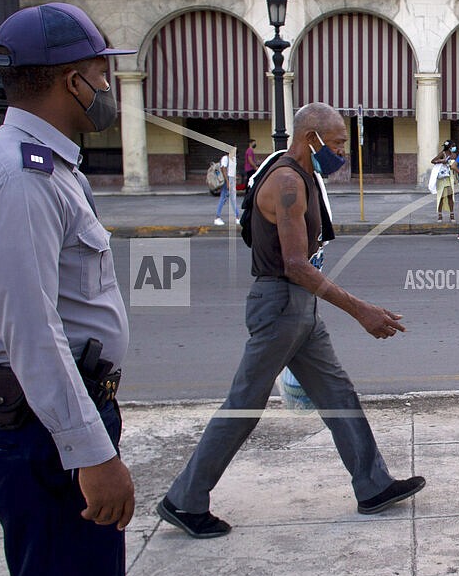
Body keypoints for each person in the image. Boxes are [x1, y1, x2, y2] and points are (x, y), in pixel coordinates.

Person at [156, 102, 425, 538]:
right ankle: (184, 501)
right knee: (243, 405)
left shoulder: (296, 174)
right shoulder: (286, 181)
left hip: (297, 306)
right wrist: (361, 310)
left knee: (338, 393)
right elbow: (296, 264)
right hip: (282, 304)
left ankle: (373, 486)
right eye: (337, 143)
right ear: (311, 139)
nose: (342, 151)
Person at [0, 3, 135, 576]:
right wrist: (91, 453)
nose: (108, 87)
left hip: (53, 417)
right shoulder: (17, 177)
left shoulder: (51, 167)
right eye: (100, 73)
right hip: (40, 431)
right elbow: (30, 330)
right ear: (70, 80)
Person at [431, 140, 456, 222]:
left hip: (450, 178)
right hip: (442, 178)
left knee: (450, 196)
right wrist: (441, 161)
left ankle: (452, 215)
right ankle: (440, 215)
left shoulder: (454, 155)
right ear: (449, 147)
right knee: (441, 197)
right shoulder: (443, 153)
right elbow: (433, 161)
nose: (454, 147)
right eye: (453, 146)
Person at [215, 149, 240, 225]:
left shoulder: (234, 159)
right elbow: (223, 169)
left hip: (231, 180)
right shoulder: (225, 158)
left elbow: (232, 170)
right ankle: (218, 217)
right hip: (227, 180)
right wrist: (228, 182)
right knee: (224, 198)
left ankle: (236, 217)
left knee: (229, 199)